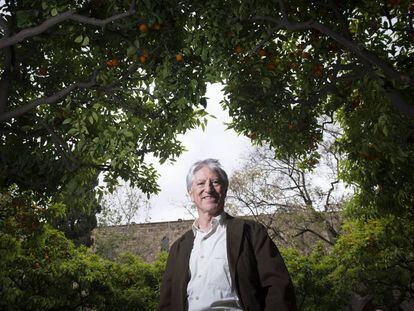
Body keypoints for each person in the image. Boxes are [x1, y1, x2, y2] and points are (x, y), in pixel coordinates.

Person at [158, 159, 297, 311]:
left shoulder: (251, 232)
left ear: (224, 190)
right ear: (191, 194)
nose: (208, 188)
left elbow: (278, 285)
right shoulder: (179, 248)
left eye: (215, 182)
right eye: (200, 183)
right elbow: (167, 302)